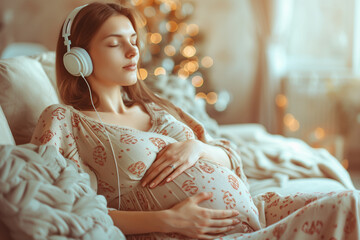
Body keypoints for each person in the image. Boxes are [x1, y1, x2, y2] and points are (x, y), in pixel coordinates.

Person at [31, 2, 360, 240]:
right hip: (199, 235)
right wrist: (170, 220)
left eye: (133, 41)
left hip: (253, 211)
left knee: (355, 201)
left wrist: (197, 148)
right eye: (115, 44)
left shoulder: (156, 107)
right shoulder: (66, 122)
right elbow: (66, 204)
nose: (133, 52)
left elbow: (229, 156)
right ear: (79, 59)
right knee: (348, 207)